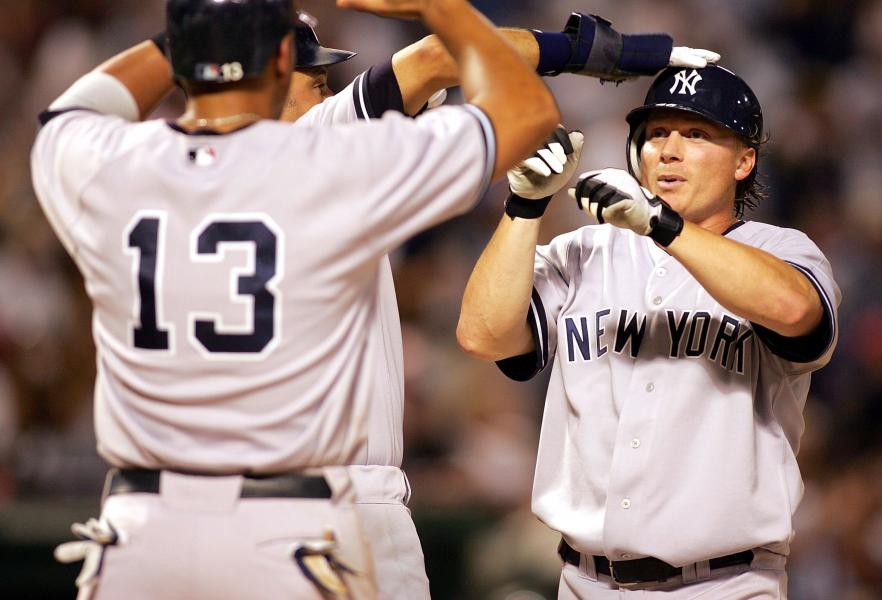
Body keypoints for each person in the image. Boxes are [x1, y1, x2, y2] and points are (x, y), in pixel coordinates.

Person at [30, 0, 562, 596]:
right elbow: (526, 109)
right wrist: (439, 6)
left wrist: (199, 35)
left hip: (143, 529)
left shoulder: (108, 163)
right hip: (287, 528)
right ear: (283, 58)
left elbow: (71, 109)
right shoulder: (334, 164)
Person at [275, 13, 722, 599]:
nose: (327, 88)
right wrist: (601, 52)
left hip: (219, 500)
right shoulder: (309, 146)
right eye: (313, 77)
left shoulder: (162, 173)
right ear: (265, 76)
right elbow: (442, 54)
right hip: (334, 506)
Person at [457, 65, 841, 598]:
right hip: (581, 580)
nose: (669, 149)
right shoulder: (585, 251)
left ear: (744, 160)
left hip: (723, 584)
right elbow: (483, 334)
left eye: (697, 134)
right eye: (657, 133)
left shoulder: (780, 250)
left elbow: (794, 308)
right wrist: (524, 206)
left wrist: (662, 225)